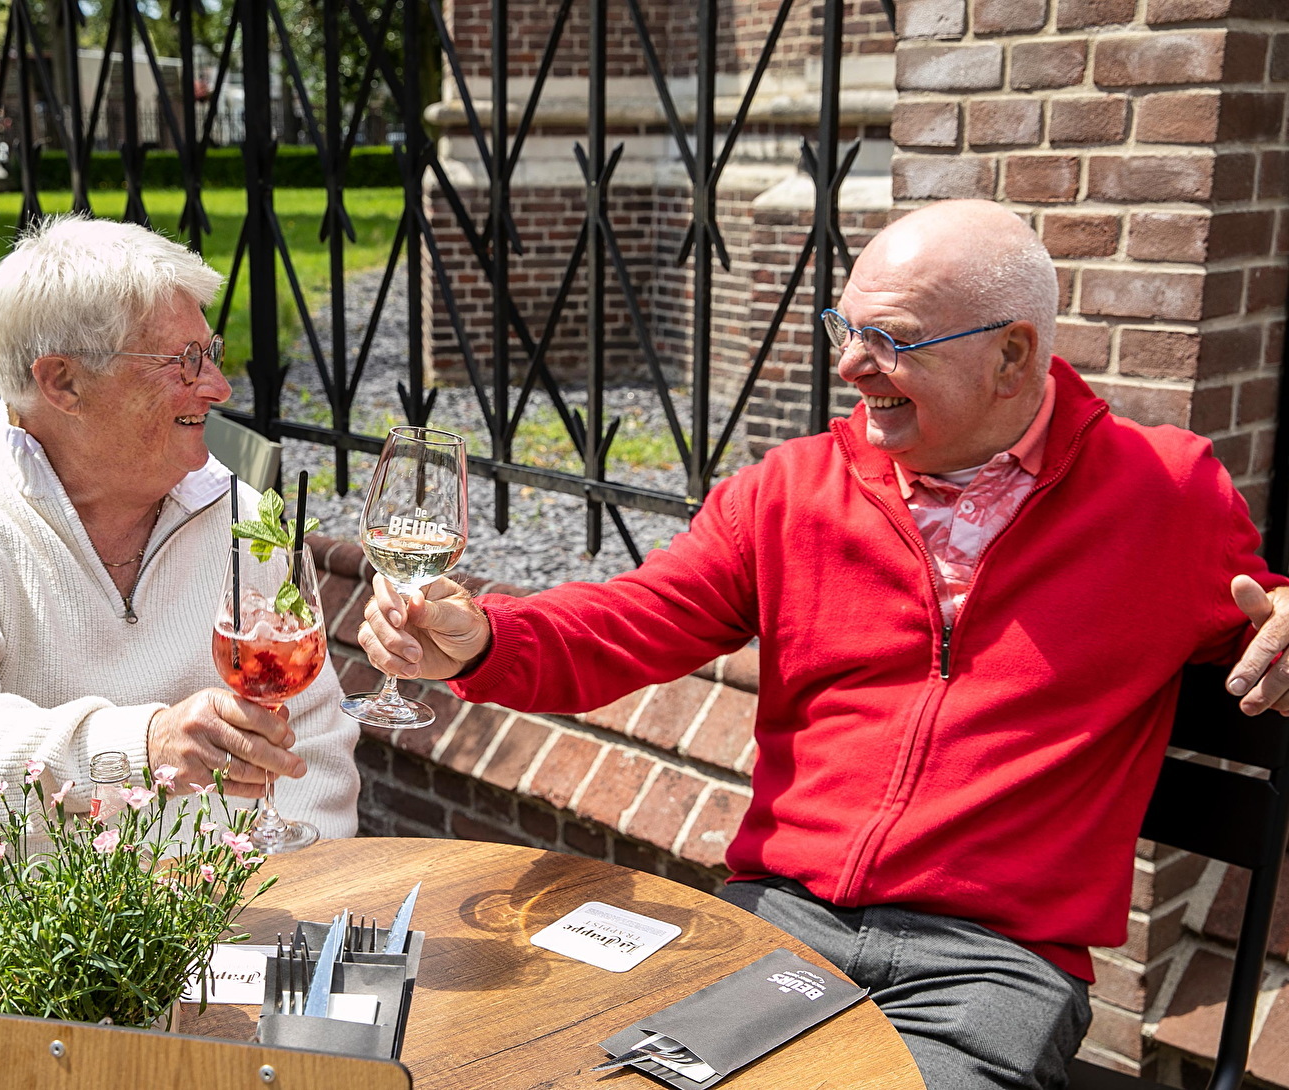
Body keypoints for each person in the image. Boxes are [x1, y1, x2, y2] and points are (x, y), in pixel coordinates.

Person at [357, 199, 1289, 1090]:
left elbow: (1263, 621)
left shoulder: (1165, 495)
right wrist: (485, 640)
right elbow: (634, 620)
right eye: (844, 328)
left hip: (992, 963)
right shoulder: (790, 491)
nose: (849, 365)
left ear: (1012, 356)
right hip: (783, 921)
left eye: (891, 341)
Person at [0, 216, 359, 955]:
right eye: (183, 361)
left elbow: (313, 738)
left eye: (210, 353)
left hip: (222, 927)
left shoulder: (242, 518)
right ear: (63, 382)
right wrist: (141, 746)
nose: (218, 387)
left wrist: (291, 894)